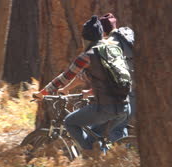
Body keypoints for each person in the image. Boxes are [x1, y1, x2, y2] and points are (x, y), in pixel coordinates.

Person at [33, 15, 129, 153]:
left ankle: (90, 156)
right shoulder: (112, 50)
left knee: (69, 122)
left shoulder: (88, 55)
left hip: (106, 108)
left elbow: (65, 77)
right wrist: (78, 90)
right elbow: (101, 77)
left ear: (85, 39)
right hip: (125, 106)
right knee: (95, 136)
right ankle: (100, 158)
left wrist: (42, 93)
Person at [96, 13, 136, 142]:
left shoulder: (111, 43)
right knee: (122, 123)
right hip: (143, 83)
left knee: (117, 127)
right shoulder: (127, 34)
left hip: (129, 89)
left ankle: (122, 159)